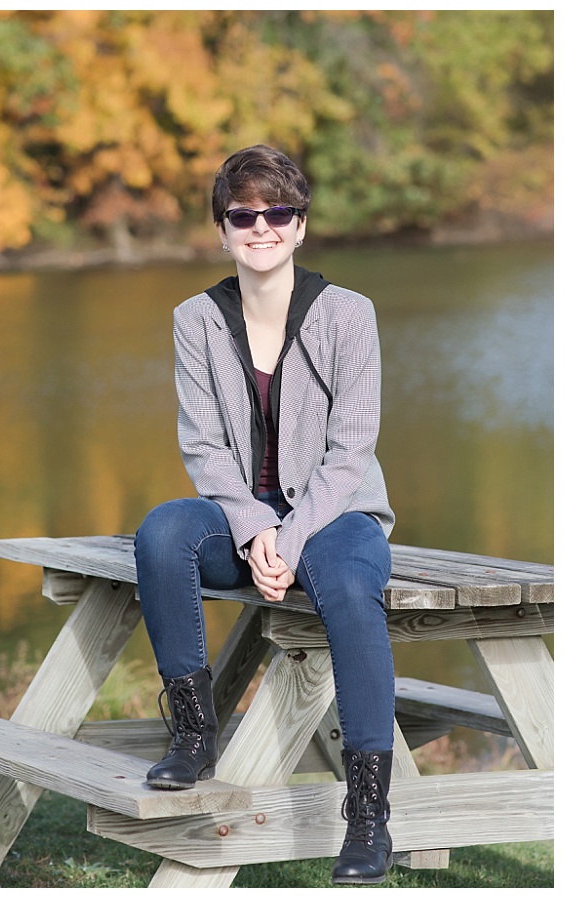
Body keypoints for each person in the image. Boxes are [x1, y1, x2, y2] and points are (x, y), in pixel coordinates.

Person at [133, 144, 397, 885]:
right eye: (242, 215)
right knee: (162, 533)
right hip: (243, 515)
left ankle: (368, 816)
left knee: (350, 588)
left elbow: (351, 450)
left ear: (300, 225)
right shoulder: (196, 319)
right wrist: (254, 530)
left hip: (338, 514)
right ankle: (193, 737)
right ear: (222, 231)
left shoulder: (348, 314)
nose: (261, 227)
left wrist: (290, 536)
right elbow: (203, 445)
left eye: (277, 213)